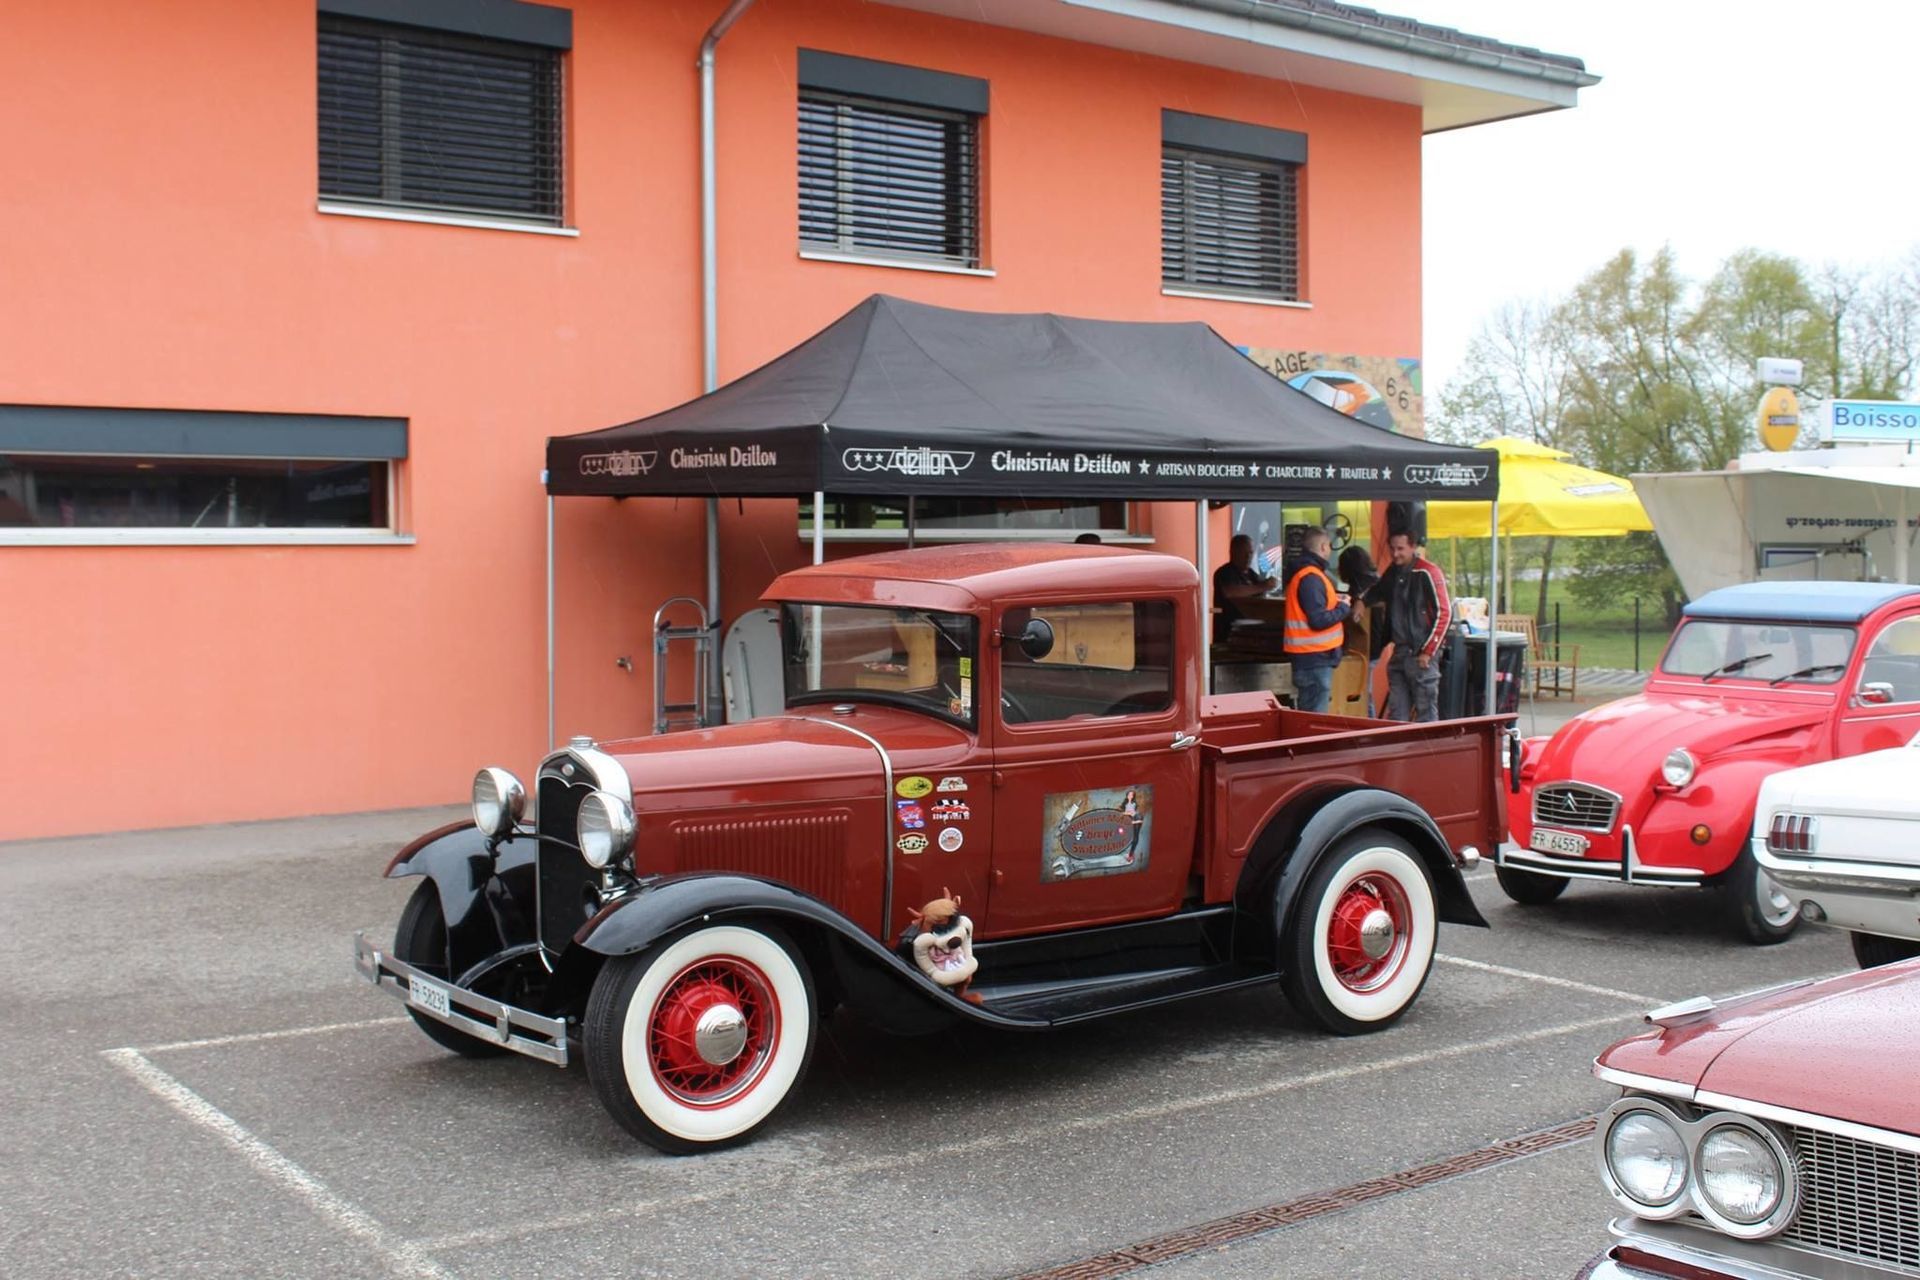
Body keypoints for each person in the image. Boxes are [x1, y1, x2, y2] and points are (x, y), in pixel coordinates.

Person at [1378, 530, 1452, 722]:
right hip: (1401, 651)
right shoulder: (1394, 572)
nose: (1395, 554)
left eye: (1400, 549)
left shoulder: (1428, 571)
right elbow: (1377, 590)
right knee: (1397, 714)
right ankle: (1402, 750)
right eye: (1392, 549)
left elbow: (1445, 612)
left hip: (1421, 653)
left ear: (1413, 547)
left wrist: (1428, 651)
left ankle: (1429, 751)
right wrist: (1362, 600)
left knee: (1425, 712)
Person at [1282, 527, 1350, 712]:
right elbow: (1318, 620)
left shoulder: (1306, 575)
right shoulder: (1311, 577)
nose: (1329, 550)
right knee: (1314, 721)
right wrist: (1343, 607)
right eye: (1328, 545)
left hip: (1310, 659)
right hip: (1314, 660)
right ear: (1322, 547)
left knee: (1309, 716)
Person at [1212, 533, 1277, 645]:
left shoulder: (1252, 574)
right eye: (1244, 553)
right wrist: (1261, 587)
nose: (1248, 557)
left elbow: (1262, 589)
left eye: (1250, 553)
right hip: (1228, 634)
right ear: (1233, 552)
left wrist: (1269, 584)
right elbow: (1231, 592)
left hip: (1251, 635)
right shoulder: (1224, 572)